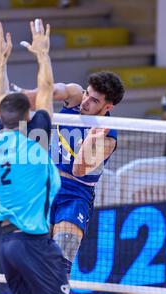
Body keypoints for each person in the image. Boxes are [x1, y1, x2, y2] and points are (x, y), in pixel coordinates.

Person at [0, 20, 71, 294]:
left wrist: (0, 60)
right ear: (27, 117)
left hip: (6, 245)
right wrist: (42, 53)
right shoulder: (35, 140)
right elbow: (45, 89)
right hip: (32, 244)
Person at [17, 72, 125, 277]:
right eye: (87, 94)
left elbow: (79, 170)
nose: (86, 101)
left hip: (75, 195)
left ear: (107, 107)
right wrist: (27, 94)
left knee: (59, 266)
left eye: (94, 101)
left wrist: (91, 140)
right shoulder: (77, 96)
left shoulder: (108, 137)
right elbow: (55, 90)